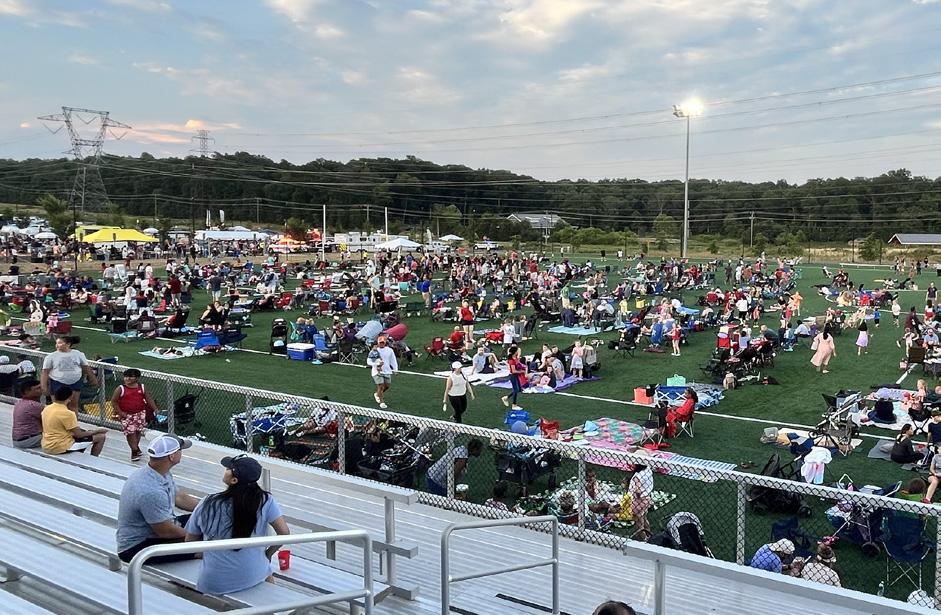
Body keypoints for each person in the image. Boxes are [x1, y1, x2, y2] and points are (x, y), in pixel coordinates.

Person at [184, 455, 290, 595]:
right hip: (254, 576)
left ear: (234, 480)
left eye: (228, 468)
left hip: (213, 584)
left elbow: (189, 543)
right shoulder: (266, 500)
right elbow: (284, 533)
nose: (225, 469)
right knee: (267, 573)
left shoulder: (208, 502)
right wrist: (268, 554)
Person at [117, 434, 200, 563]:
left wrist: (208, 507)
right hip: (136, 547)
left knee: (206, 519)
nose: (182, 453)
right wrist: (197, 537)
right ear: (172, 456)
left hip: (159, 528)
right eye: (180, 450)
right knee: (208, 548)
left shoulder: (159, 472)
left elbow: (179, 497)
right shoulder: (151, 491)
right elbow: (166, 531)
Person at [41, 386, 107, 456]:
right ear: (70, 397)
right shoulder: (68, 413)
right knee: (101, 437)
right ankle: (93, 458)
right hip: (60, 447)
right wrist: (96, 431)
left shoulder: (47, 408)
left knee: (84, 433)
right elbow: (79, 435)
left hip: (46, 445)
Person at [40, 335, 98, 413]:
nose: (57, 345)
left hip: (75, 383)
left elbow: (85, 367)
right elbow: (45, 372)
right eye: (56, 343)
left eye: (60, 343)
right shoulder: (51, 357)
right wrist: (44, 387)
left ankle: (72, 420)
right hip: (57, 383)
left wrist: (92, 378)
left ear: (68, 344)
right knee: (58, 406)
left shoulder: (78, 354)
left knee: (73, 406)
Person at [111, 368, 159, 462]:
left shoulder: (142, 387)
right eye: (126, 377)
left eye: (130, 377)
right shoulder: (120, 389)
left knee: (137, 432)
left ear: (137, 378)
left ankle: (136, 447)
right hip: (127, 415)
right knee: (130, 433)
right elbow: (114, 401)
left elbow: (149, 399)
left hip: (140, 414)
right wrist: (120, 412)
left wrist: (155, 409)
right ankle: (134, 451)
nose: (127, 379)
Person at [11, 377, 43, 449]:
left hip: (17, 440)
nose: (41, 390)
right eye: (38, 388)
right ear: (27, 391)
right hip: (28, 440)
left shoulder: (19, 403)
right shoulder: (33, 405)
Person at [366, 335, 397, 409]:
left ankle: (377, 394)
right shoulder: (374, 351)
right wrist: (376, 364)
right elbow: (368, 361)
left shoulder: (389, 350)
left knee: (387, 386)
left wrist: (395, 369)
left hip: (387, 371)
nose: (381, 344)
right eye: (380, 343)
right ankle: (382, 402)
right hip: (377, 371)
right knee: (381, 386)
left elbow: (393, 360)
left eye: (383, 342)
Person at [629, 464, 653, 539]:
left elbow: (638, 491)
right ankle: (649, 534)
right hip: (647, 498)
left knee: (639, 522)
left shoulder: (637, 476)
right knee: (644, 518)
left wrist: (637, 498)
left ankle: (644, 539)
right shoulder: (648, 469)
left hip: (639, 500)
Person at [501, 345, 526, 411]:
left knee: (519, 389)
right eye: (517, 351)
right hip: (513, 376)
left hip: (516, 375)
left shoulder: (516, 358)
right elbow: (513, 371)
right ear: (515, 352)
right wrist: (522, 371)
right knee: (516, 389)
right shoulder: (511, 360)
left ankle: (506, 398)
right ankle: (514, 405)